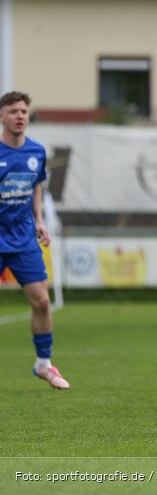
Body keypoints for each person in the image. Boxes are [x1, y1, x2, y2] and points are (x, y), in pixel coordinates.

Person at [0, 91, 69, 389]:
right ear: (2, 116)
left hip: (23, 237)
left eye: (24, 111)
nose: (20, 116)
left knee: (42, 301)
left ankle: (43, 364)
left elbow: (36, 187)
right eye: (13, 111)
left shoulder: (37, 152)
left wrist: (39, 221)